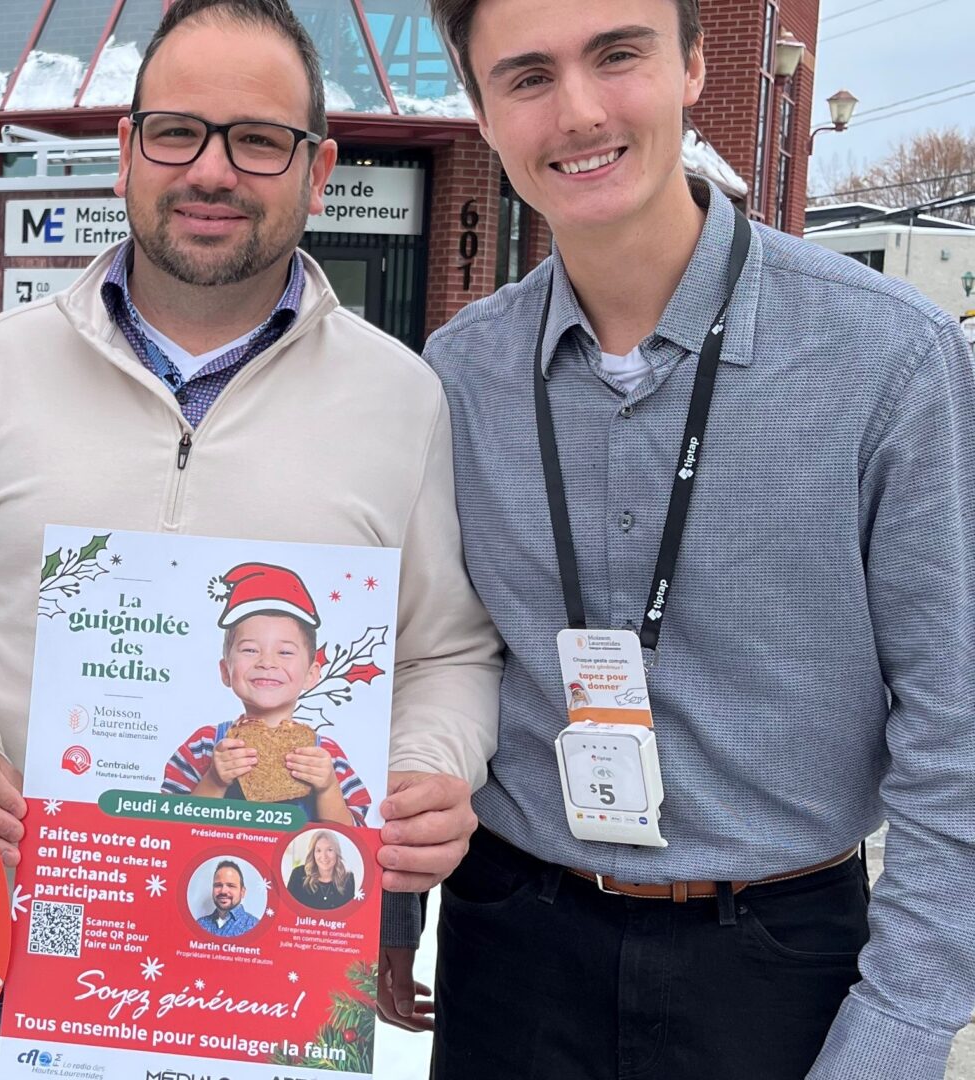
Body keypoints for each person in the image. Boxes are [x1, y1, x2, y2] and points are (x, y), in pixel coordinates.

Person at [0, 0, 500, 1058]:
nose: (211, 171)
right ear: (126, 152)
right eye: (177, 132)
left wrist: (432, 768)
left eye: (259, 140)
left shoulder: (403, 399)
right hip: (20, 954)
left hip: (272, 985)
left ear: (319, 168)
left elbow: (449, 651)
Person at [398, 0, 975, 1074]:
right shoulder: (457, 377)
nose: (576, 112)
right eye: (525, 78)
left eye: (617, 56)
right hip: (510, 947)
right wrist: (384, 903)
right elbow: (441, 650)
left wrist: (898, 1030)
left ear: (696, 66)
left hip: (782, 969)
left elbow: (959, 734)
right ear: (481, 114)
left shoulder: (893, 363)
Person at [162, 563, 371, 824]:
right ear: (226, 671)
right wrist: (214, 781)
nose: (267, 662)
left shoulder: (327, 756)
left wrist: (327, 788)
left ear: (311, 674)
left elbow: (353, 838)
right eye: (250, 650)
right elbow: (168, 828)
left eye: (285, 652)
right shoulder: (202, 746)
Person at [286, 830, 357, 910]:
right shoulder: (298, 874)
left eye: (329, 850)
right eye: (318, 850)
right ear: (313, 853)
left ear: (337, 852)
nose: (324, 856)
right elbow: (287, 910)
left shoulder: (348, 878)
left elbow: (350, 915)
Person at [195, 861, 260, 937]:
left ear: (242, 892)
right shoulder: (200, 924)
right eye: (218, 885)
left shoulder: (255, 926)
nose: (223, 891)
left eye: (231, 885)